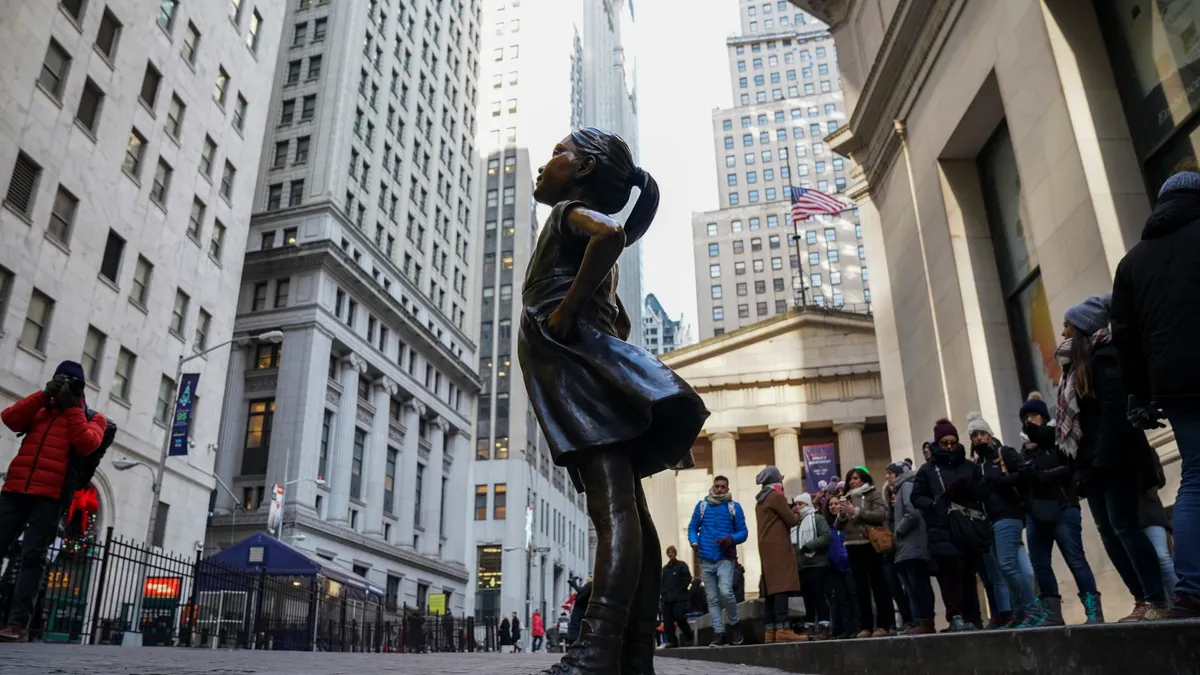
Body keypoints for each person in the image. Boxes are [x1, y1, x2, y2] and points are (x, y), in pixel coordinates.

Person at [517, 128, 709, 675]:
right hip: (587, 376)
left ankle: (598, 650)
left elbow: (608, 237)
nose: (546, 161)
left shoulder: (566, 215)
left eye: (558, 153)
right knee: (635, 518)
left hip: (578, 375)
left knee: (613, 510)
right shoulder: (577, 239)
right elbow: (620, 321)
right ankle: (635, 656)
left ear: (580, 172)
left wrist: (564, 312)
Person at [1110, 170, 1200, 620]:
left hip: (1173, 384)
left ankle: (1190, 590)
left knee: (1195, 481)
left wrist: (1137, 397)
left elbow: (1125, 339)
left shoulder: (1132, 263)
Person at [1058, 296, 1168, 622]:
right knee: (1109, 533)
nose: (1062, 331)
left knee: (1125, 528)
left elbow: (1112, 412)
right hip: (1093, 463)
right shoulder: (1073, 367)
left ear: (1081, 328)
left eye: (1067, 324)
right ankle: (1140, 599)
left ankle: (1155, 599)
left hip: (1114, 460)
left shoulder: (1105, 358)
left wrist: (1100, 461)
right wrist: (1082, 467)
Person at [0, 362, 108, 642]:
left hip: (50, 496)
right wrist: (43, 395)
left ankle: (16, 625)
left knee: (33, 558)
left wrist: (72, 407)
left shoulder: (93, 418)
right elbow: (9, 418)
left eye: (73, 383)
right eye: (61, 381)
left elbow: (87, 444)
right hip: (15, 488)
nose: (65, 387)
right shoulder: (40, 408)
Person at [1018, 392, 1101, 626]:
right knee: (1040, 563)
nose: (1029, 420)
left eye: (1034, 415)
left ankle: (1093, 611)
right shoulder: (1024, 449)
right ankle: (1052, 614)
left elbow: (1068, 468)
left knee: (1076, 559)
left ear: (1044, 417)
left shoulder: (1058, 437)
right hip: (1036, 512)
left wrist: (1040, 475)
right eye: (1026, 416)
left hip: (1063, 507)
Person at [967, 412, 1040, 628]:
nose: (979, 438)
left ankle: (1032, 610)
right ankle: (1019, 614)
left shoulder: (1003, 453)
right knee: (1008, 568)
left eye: (982, 433)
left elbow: (1025, 473)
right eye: (975, 435)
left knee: (1007, 565)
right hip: (990, 521)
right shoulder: (977, 464)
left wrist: (1003, 481)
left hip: (1008, 515)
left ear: (989, 435)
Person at [912, 418, 986, 632]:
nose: (949, 447)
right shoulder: (927, 470)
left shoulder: (968, 466)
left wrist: (968, 491)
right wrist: (935, 503)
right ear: (937, 443)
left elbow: (982, 491)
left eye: (953, 442)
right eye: (944, 443)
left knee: (969, 573)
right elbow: (917, 497)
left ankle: (973, 616)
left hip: (967, 527)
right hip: (942, 528)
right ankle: (955, 615)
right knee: (950, 573)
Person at [832, 467, 894, 637]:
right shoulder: (846, 497)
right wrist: (842, 515)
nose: (853, 481)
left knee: (878, 584)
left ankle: (883, 624)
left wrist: (856, 511)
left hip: (870, 544)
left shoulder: (872, 494)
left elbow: (881, 514)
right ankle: (865, 626)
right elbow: (838, 527)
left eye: (856, 478)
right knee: (860, 588)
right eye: (850, 479)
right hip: (852, 545)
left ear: (864, 479)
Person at [687, 475, 748, 647]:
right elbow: (693, 527)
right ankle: (719, 633)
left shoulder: (733, 507)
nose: (719, 489)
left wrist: (731, 538)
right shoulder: (702, 506)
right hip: (706, 558)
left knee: (726, 591)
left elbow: (743, 532)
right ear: (713, 487)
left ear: (727, 489)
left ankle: (735, 627)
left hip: (725, 558)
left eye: (723, 487)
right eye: (717, 486)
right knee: (712, 599)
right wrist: (694, 541)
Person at [753, 467, 804, 643]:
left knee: (771, 590)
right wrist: (797, 512)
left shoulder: (760, 499)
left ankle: (771, 631)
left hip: (766, 547)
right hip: (779, 547)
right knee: (781, 586)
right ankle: (783, 629)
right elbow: (791, 520)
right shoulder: (776, 496)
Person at [887, 461, 935, 635]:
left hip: (912, 544)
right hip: (909, 545)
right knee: (915, 586)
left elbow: (912, 512)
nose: (887, 476)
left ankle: (925, 621)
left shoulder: (906, 486)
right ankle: (921, 621)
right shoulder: (902, 488)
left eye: (890, 473)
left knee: (919, 584)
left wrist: (898, 530)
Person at [793, 492, 832, 640]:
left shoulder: (817, 519)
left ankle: (824, 627)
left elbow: (826, 536)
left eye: (800, 504)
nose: (797, 507)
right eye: (796, 505)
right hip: (803, 566)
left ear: (807, 505)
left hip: (817, 563)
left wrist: (809, 545)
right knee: (807, 598)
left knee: (819, 596)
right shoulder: (796, 523)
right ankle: (809, 626)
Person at [659, 545, 695, 648]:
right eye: (669, 552)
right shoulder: (665, 569)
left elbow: (687, 578)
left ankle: (689, 636)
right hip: (667, 599)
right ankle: (672, 641)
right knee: (668, 622)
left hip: (679, 598)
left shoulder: (681, 566)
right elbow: (662, 583)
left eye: (672, 552)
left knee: (680, 617)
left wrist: (680, 590)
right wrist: (663, 594)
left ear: (675, 553)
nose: (670, 554)